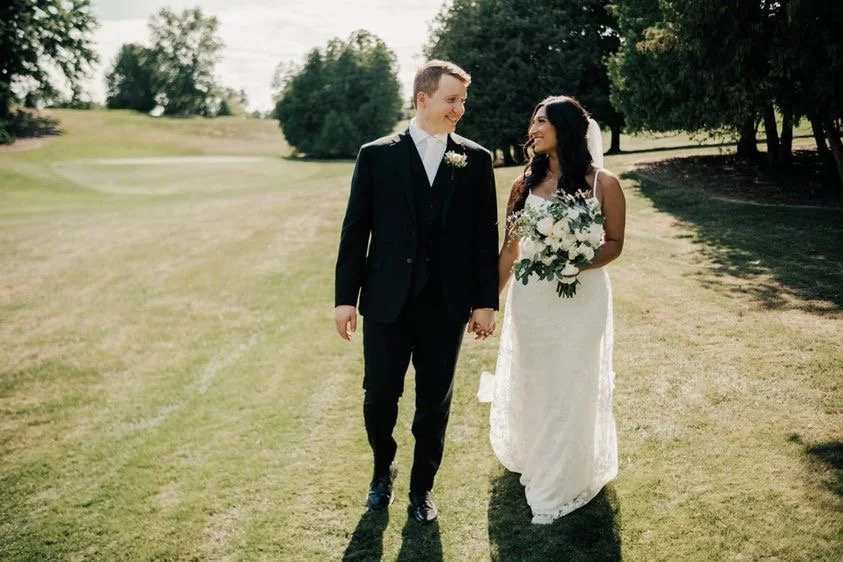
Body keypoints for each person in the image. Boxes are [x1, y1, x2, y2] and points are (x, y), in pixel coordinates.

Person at [334, 60, 499, 524]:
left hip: (446, 305)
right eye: (451, 100)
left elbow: (484, 236)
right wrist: (345, 298)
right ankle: (381, 468)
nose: (459, 109)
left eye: (463, 101)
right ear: (423, 99)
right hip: (386, 301)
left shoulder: (476, 159)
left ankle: (422, 488)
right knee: (379, 397)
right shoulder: (376, 155)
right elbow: (355, 229)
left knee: (434, 403)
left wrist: (485, 302)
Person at [488, 95, 626, 524]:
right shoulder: (523, 186)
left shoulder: (603, 183)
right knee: (538, 382)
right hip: (533, 303)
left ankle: (566, 477)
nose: (533, 129)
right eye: (532, 121)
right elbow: (510, 251)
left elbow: (614, 243)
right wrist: (488, 303)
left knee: (573, 381)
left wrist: (577, 260)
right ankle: (538, 456)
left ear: (565, 128)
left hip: (583, 301)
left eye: (541, 121)